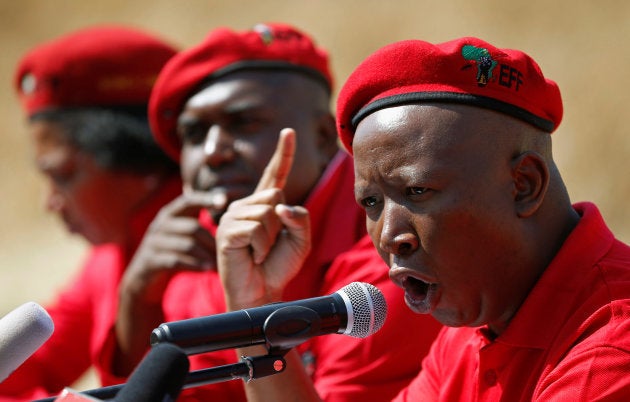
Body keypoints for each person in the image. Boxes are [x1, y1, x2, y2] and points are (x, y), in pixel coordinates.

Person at [116, 23, 442, 401]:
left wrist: (250, 309)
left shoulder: (394, 254)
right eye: (194, 134)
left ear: (322, 138)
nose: (212, 152)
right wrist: (136, 298)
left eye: (243, 124)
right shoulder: (208, 249)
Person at [337, 37, 630, 400]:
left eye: (417, 192)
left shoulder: (610, 353)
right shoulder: (474, 320)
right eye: (370, 202)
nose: (389, 236)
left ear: (524, 185)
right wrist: (261, 330)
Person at [0, 26, 180, 400]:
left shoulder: (220, 253)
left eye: (63, 176)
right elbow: (29, 365)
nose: (50, 202)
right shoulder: (109, 257)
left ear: (138, 157)